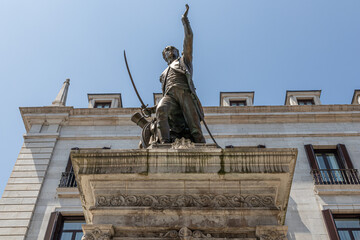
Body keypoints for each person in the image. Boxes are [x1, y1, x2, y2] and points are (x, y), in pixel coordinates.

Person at [154, 4, 205, 144]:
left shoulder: (184, 61)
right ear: (165, 56)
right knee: (160, 110)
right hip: (170, 96)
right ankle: (164, 144)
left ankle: (201, 144)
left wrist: (185, 21)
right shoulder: (163, 74)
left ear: (177, 52)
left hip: (184, 93)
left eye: (172, 49)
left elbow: (189, 38)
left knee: (194, 127)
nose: (170, 51)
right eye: (167, 50)